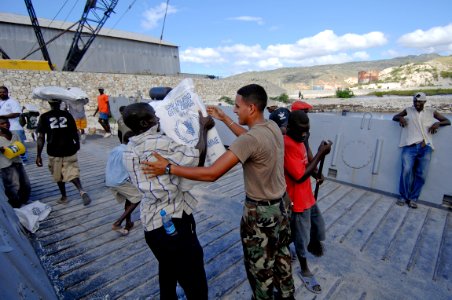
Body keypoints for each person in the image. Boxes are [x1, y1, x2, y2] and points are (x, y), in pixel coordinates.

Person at [143, 84, 295, 300]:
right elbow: (250, 140)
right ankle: (288, 295)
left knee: (260, 271)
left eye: (237, 106)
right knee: (282, 256)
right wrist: (224, 118)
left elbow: (212, 173)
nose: (234, 109)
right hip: (281, 209)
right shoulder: (271, 128)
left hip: (260, 216)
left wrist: (169, 167)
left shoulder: (250, 140)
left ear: (251, 108)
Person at [122, 102, 214, 299]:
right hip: (174, 223)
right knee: (194, 280)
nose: (158, 117)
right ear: (146, 121)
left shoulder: (129, 148)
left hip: (151, 223)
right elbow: (197, 160)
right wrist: (203, 128)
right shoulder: (161, 143)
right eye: (154, 115)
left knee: (168, 270)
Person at [283, 110, 332, 294]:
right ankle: (304, 269)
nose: (305, 134)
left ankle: (302, 248)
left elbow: (306, 164)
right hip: (296, 201)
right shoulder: (287, 144)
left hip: (308, 196)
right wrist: (321, 153)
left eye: (307, 130)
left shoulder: (300, 139)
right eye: (302, 131)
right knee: (301, 237)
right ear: (290, 128)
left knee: (318, 227)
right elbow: (298, 176)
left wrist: (316, 174)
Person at [392, 92, 450, 209]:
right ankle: (403, 196)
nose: (417, 103)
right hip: (410, 146)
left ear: (424, 102)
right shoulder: (408, 110)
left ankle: (413, 198)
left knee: (421, 174)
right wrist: (401, 118)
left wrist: (437, 124)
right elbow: (395, 117)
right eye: (415, 101)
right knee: (406, 170)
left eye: (419, 101)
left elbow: (448, 121)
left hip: (425, 147)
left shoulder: (431, 112)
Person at [36, 99, 92, 206]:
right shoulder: (67, 115)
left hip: (54, 151)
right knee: (72, 172)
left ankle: (64, 197)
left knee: (58, 175)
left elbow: (41, 137)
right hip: (69, 149)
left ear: (49, 103)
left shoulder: (44, 117)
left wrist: (38, 155)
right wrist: (77, 144)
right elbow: (75, 131)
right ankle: (81, 190)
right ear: (60, 103)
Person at [105, 131, 140, 235]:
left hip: (109, 180)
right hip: (120, 181)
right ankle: (117, 223)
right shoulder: (128, 152)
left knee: (130, 197)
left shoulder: (116, 149)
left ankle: (128, 223)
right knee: (138, 197)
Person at [0, 117, 31, 208]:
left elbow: (22, 148)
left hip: (17, 162)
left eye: (7, 122)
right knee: (13, 186)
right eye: (2, 123)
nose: (6, 124)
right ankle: (16, 205)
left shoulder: (14, 134)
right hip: (6, 165)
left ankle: (24, 201)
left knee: (26, 184)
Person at [0, 86, 28, 163]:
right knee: (7, 145)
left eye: (4, 92)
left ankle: (24, 160)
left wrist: (2, 116)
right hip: (3, 128)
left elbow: (17, 113)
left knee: (19, 144)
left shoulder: (12, 101)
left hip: (14, 127)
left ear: (7, 92)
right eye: (0, 92)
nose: (2, 93)